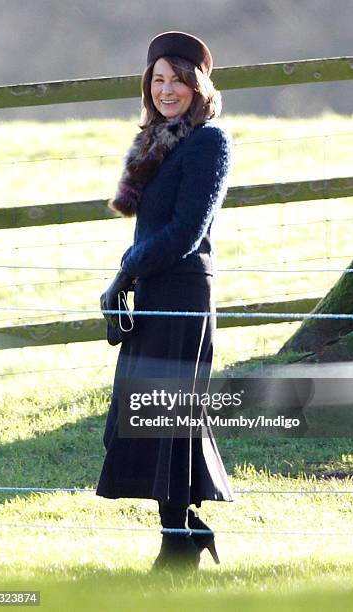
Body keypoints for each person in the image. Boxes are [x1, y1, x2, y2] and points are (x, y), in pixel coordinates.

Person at [96, 31, 234, 570]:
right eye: (158, 79)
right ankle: (185, 531)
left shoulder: (209, 142)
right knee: (148, 418)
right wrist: (128, 278)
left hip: (182, 292)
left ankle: (178, 541)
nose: (167, 89)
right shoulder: (158, 140)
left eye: (178, 79)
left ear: (198, 85)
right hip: (154, 287)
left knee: (169, 420)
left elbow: (184, 232)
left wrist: (124, 274)